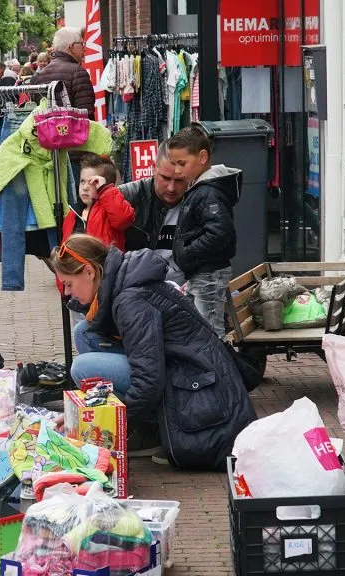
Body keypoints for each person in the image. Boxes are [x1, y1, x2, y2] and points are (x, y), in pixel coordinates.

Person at [55, 234, 256, 469]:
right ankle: (147, 428)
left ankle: (152, 430)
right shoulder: (124, 282)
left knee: (83, 367)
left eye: (69, 283)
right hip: (183, 369)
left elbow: (148, 379)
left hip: (193, 383)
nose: (67, 292)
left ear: (89, 272)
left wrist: (100, 424)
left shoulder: (130, 301)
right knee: (85, 332)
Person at [167, 126, 240, 338]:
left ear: (202, 157)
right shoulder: (201, 189)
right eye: (174, 164)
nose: (177, 171)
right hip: (201, 273)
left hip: (208, 273)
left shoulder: (207, 193)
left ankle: (218, 371)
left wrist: (189, 252)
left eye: (182, 164)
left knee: (210, 332)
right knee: (202, 329)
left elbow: (219, 232)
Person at [119, 142, 189, 285]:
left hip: (185, 291)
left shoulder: (197, 200)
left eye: (180, 180)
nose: (171, 188)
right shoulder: (129, 197)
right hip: (139, 290)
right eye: (166, 178)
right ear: (153, 169)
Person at [61, 153, 134, 250]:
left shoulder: (109, 210)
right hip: (77, 263)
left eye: (93, 182)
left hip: (105, 263)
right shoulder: (73, 213)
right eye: (82, 181)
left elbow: (123, 219)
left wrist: (105, 190)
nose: (85, 187)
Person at [33, 27, 94, 111]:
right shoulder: (78, 72)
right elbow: (86, 113)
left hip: (48, 124)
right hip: (71, 124)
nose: (84, 48)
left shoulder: (42, 74)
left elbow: (39, 110)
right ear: (71, 47)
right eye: (82, 44)